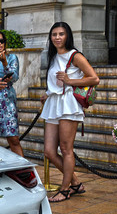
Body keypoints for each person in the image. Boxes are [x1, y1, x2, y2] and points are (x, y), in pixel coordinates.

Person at [40, 22, 99, 203]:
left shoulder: (75, 55)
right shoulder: (52, 56)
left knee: (66, 149)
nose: (57, 37)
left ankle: (65, 190)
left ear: (68, 36)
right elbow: (55, 83)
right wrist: (48, 94)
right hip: (53, 103)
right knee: (49, 151)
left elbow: (94, 78)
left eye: (61, 34)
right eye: (54, 34)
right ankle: (75, 182)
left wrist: (70, 80)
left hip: (68, 104)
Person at [0, 32, 24, 156]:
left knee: (13, 138)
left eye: (1, 41)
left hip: (7, 100)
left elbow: (14, 77)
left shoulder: (11, 58)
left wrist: (4, 62)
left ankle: (24, 171)